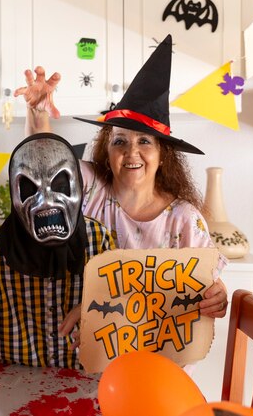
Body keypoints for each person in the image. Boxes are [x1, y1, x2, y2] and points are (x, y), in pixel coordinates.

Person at [13, 34, 229, 337]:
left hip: (161, 362)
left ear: (163, 155)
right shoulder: (88, 189)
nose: (131, 152)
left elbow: (208, 284)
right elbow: (42, 163)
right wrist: (37, 113)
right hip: (92, 358)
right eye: (119, 141)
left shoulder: (184, 218)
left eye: (144, 141)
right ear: (107, 151)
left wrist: (218, 296)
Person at [0, 131, 115, 369]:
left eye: (59, 184)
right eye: (28, 188)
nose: (45, 201)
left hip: (84, 386)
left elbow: (123, 309)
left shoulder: (98, 240)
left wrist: (98, 308)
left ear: (78, 185)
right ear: (15, 195)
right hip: (15, 391)